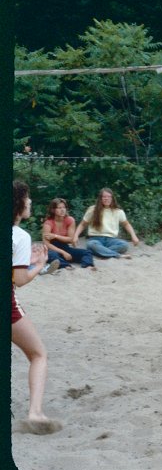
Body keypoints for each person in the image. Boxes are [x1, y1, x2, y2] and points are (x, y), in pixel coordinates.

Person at [12, 180, 63, 435]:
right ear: (18, 204)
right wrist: (37, 265)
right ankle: (35, 413)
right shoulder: (19, 235)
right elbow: (19, 280)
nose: (30, 202)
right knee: (38, 354)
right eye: (28, 198)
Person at [73, 188, 140, 259]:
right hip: (95, 239)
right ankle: (117, 255)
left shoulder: (118, 211)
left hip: (111, 240)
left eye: (109, 197)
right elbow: (83, 224)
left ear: (112, 198)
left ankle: (102, 252)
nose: (106, 199)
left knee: (124, 245)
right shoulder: (92, 209)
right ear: (100, 198)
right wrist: (76, 236)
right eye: (104, 197)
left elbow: (126, 224)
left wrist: (133, 236)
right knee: (91, 244)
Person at [42, 198, 96, 270]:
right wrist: (63, 252)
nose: (62, 210)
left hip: (65, 247)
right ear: (53, 210)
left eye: (64, 207)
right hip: (53, 249)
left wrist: (55, 236)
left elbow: (70, 239)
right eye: (59, 208)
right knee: (51, 254)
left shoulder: (70, 220)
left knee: (86, 252)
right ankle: (65, 266)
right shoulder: (48, 223)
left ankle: (87, 266)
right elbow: (47, 244)